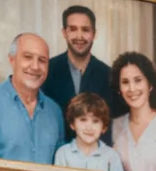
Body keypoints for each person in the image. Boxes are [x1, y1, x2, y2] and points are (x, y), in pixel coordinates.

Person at [0, 33, 65, 164]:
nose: (35, 66)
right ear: (12, 60)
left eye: (42, 60)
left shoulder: (54, 111)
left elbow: (60, 167)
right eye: (27, 57)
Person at [40, 6, 122, 142]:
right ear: (64, 32)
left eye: (85, 30)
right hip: (55, 158)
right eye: (73, 29)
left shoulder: (109, 76)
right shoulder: (47, 70)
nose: (79, 36)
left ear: (94, 34)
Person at [55, 93, 125, 171]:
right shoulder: (63, 153)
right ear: (72, 124)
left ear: (104, 127)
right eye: (83, 120)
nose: (89, 127)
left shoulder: (112, 156)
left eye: (95, 121)